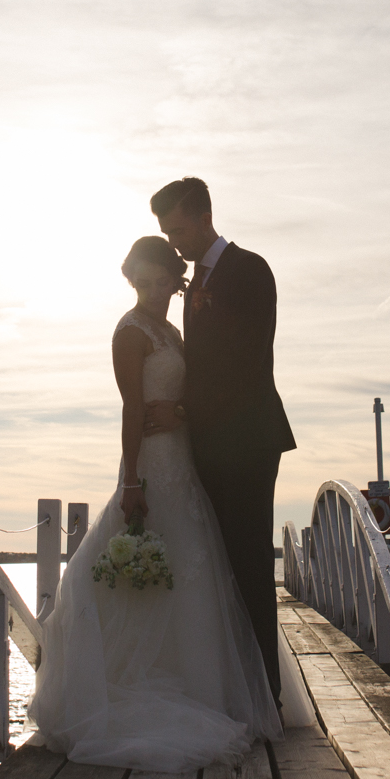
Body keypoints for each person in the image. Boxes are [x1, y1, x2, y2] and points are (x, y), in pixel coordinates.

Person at [26, 236, 281, 771]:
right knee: (144, 566)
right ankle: (129, 685)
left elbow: (199, 390)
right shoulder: (130, 331)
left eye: (160, 280)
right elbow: (131, 409)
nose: (151, 289)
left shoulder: (172, 330)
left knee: (194, 572)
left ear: (174, 279)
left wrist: (185, 415)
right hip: (150, 465)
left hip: (184, 460)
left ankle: (203, 690)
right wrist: (133, 481)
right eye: (141, 282)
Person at [146, 178, 295, 708]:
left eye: (178, 229)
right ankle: (237, 687)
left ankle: (266, 696)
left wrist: (183, 409)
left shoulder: (249, 270)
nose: (174, 242)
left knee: (249, 560)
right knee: (221, 562)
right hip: (209, 442)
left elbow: (245, 364)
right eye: (165, 232)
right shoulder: (200, 280)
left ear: (203, 216)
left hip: (248, 439)